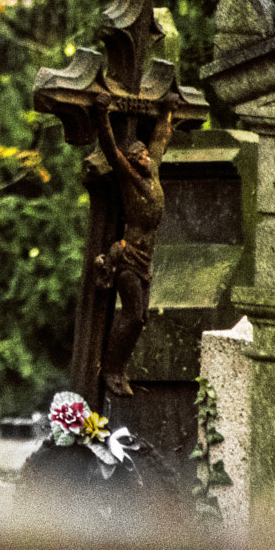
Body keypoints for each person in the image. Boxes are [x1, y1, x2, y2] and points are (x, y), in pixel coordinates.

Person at [89, 91, 176, 398]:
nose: (144, 158)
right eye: (138, 157)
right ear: (131, 161)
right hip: (128, 256)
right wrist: (101, 115)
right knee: (134, 315)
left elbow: (161, 139)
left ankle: (119, 369)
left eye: (144, 155)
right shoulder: (129, 178)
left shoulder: (153, 170)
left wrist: (167, 111)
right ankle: (110, 369)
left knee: (141, 321)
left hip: (146, 258)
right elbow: (111, 148)